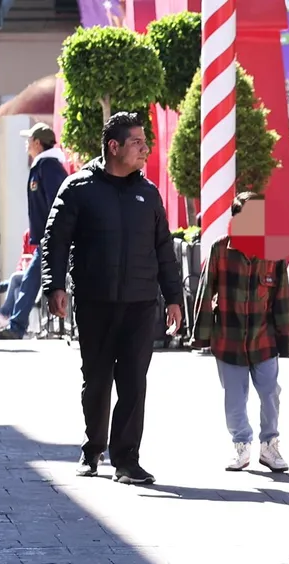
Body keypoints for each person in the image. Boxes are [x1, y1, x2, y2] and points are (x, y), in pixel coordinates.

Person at [41, 111, 184, 485]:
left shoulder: (147, 193)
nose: (145, 149)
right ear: (114, 146)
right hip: (95, 302)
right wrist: (54, 287)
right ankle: (93, 449)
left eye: (145, 142)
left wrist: (174, 297)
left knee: (134, 382)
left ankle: (127, 460)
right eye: (137, 142)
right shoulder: (78, 188)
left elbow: (164, 249)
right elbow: (55, 241)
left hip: (141, 303)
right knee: (97, 380)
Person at [193, 192, 289, 473]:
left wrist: (283, 339)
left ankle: (269, 445)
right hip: (229, 338)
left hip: (264, 339)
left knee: (271, 393)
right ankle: (241, 444)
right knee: (234, 398)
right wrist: (202, 335)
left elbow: (281, 297)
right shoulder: (220, 249)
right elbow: (206, 291)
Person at [0, 123, 68, 340]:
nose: (26, 144)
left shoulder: (49, 167)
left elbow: (57, 203)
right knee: (30, 280)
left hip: (53, 237)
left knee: (31, 280)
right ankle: (16, 325)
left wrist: (55, 232)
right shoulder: (43, 166)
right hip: (47, 238)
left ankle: (16, 326)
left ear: (38, 143)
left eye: (29, 140)